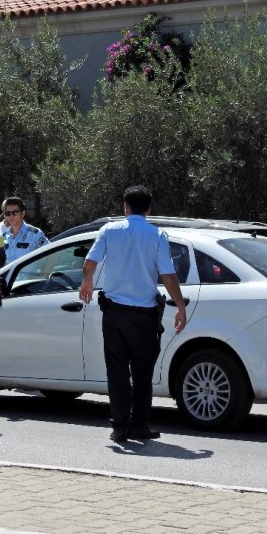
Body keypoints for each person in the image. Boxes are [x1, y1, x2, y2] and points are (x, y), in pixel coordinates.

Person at [79, 185, 187, 443]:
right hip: (144, 315)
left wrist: (87, 282)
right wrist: (180, 306)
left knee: (116, 371)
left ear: (125, 207)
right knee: (142, 373)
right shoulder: (157, 235)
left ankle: (119, 427)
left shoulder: (108, 230)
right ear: (148, 209)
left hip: (114, 313)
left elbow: (89, 263)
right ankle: (139, 426)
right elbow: (168, 275)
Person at [0, 197, 48, 270]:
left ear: (23, 213)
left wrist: (42, 275)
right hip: (10, 280)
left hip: (29, 280)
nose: (11, 216)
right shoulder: (4, 236)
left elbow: (54, 255)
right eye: (7, 213)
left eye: (15, 212)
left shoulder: (34, 234)